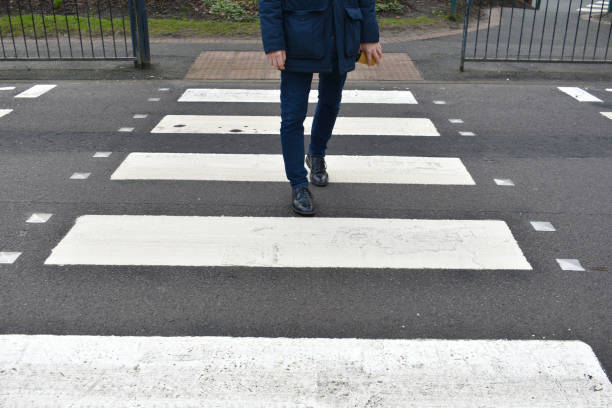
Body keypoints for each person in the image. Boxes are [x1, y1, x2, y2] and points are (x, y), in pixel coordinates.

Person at [259, 0, 382, 216]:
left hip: (341, 34)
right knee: (292, 116)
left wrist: (369, 36)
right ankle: (298, 185)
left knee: (330, 103)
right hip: (298, 38)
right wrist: (273, 43)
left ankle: (316, 155)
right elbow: (269, 4)